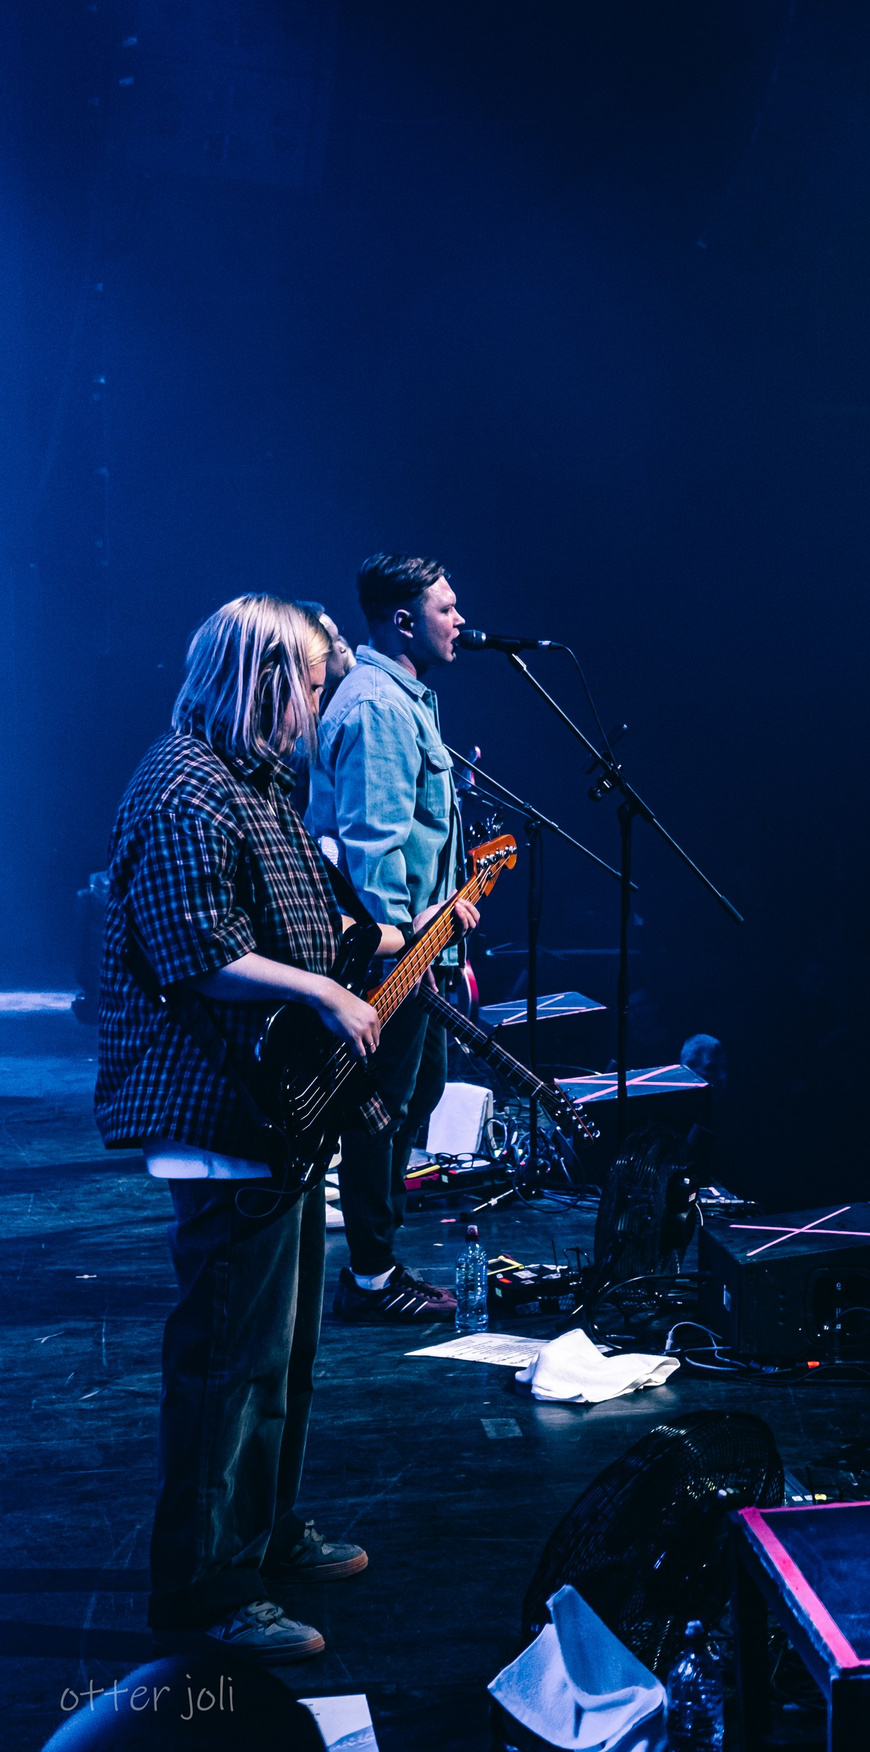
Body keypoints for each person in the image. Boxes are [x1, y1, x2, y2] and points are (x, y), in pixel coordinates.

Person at [95, 597, 393, 1661]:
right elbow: (196, 953)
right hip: (216, 1109)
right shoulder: (183, 787)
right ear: (266, 679)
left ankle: (259, 1534)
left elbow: (292, 916)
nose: (321, 700)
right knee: (227, 1362)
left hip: (270, 1113)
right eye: (312, 681)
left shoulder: (253, 784)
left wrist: (372, 936)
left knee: (281, 1354)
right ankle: (204, 1586)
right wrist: (321, 991)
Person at [303, 553, 479, 1321]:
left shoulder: (405, 697)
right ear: (404, 619)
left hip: (419, 940)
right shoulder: (376, 706)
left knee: (420, 1092)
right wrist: (404, 952)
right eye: (447, 608)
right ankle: (372, 1277)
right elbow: (373, 848)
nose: (461, 620)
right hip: (393, 950)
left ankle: (378, 1258)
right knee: (381, 1103)